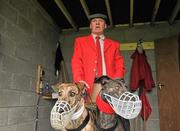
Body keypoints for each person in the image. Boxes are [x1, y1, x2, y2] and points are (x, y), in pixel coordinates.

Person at [71, 13, 130, 131]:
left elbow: (120, 65)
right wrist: (79, 80)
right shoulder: (80, 42)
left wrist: (116, 82)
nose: (97, 23)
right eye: (94, 21)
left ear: (105, 26)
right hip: (88, 85)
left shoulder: (114, 45)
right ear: (90, 26)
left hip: (108, 85)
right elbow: (76, 61)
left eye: (100, 21)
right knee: (89, 119)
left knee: (115, 117)